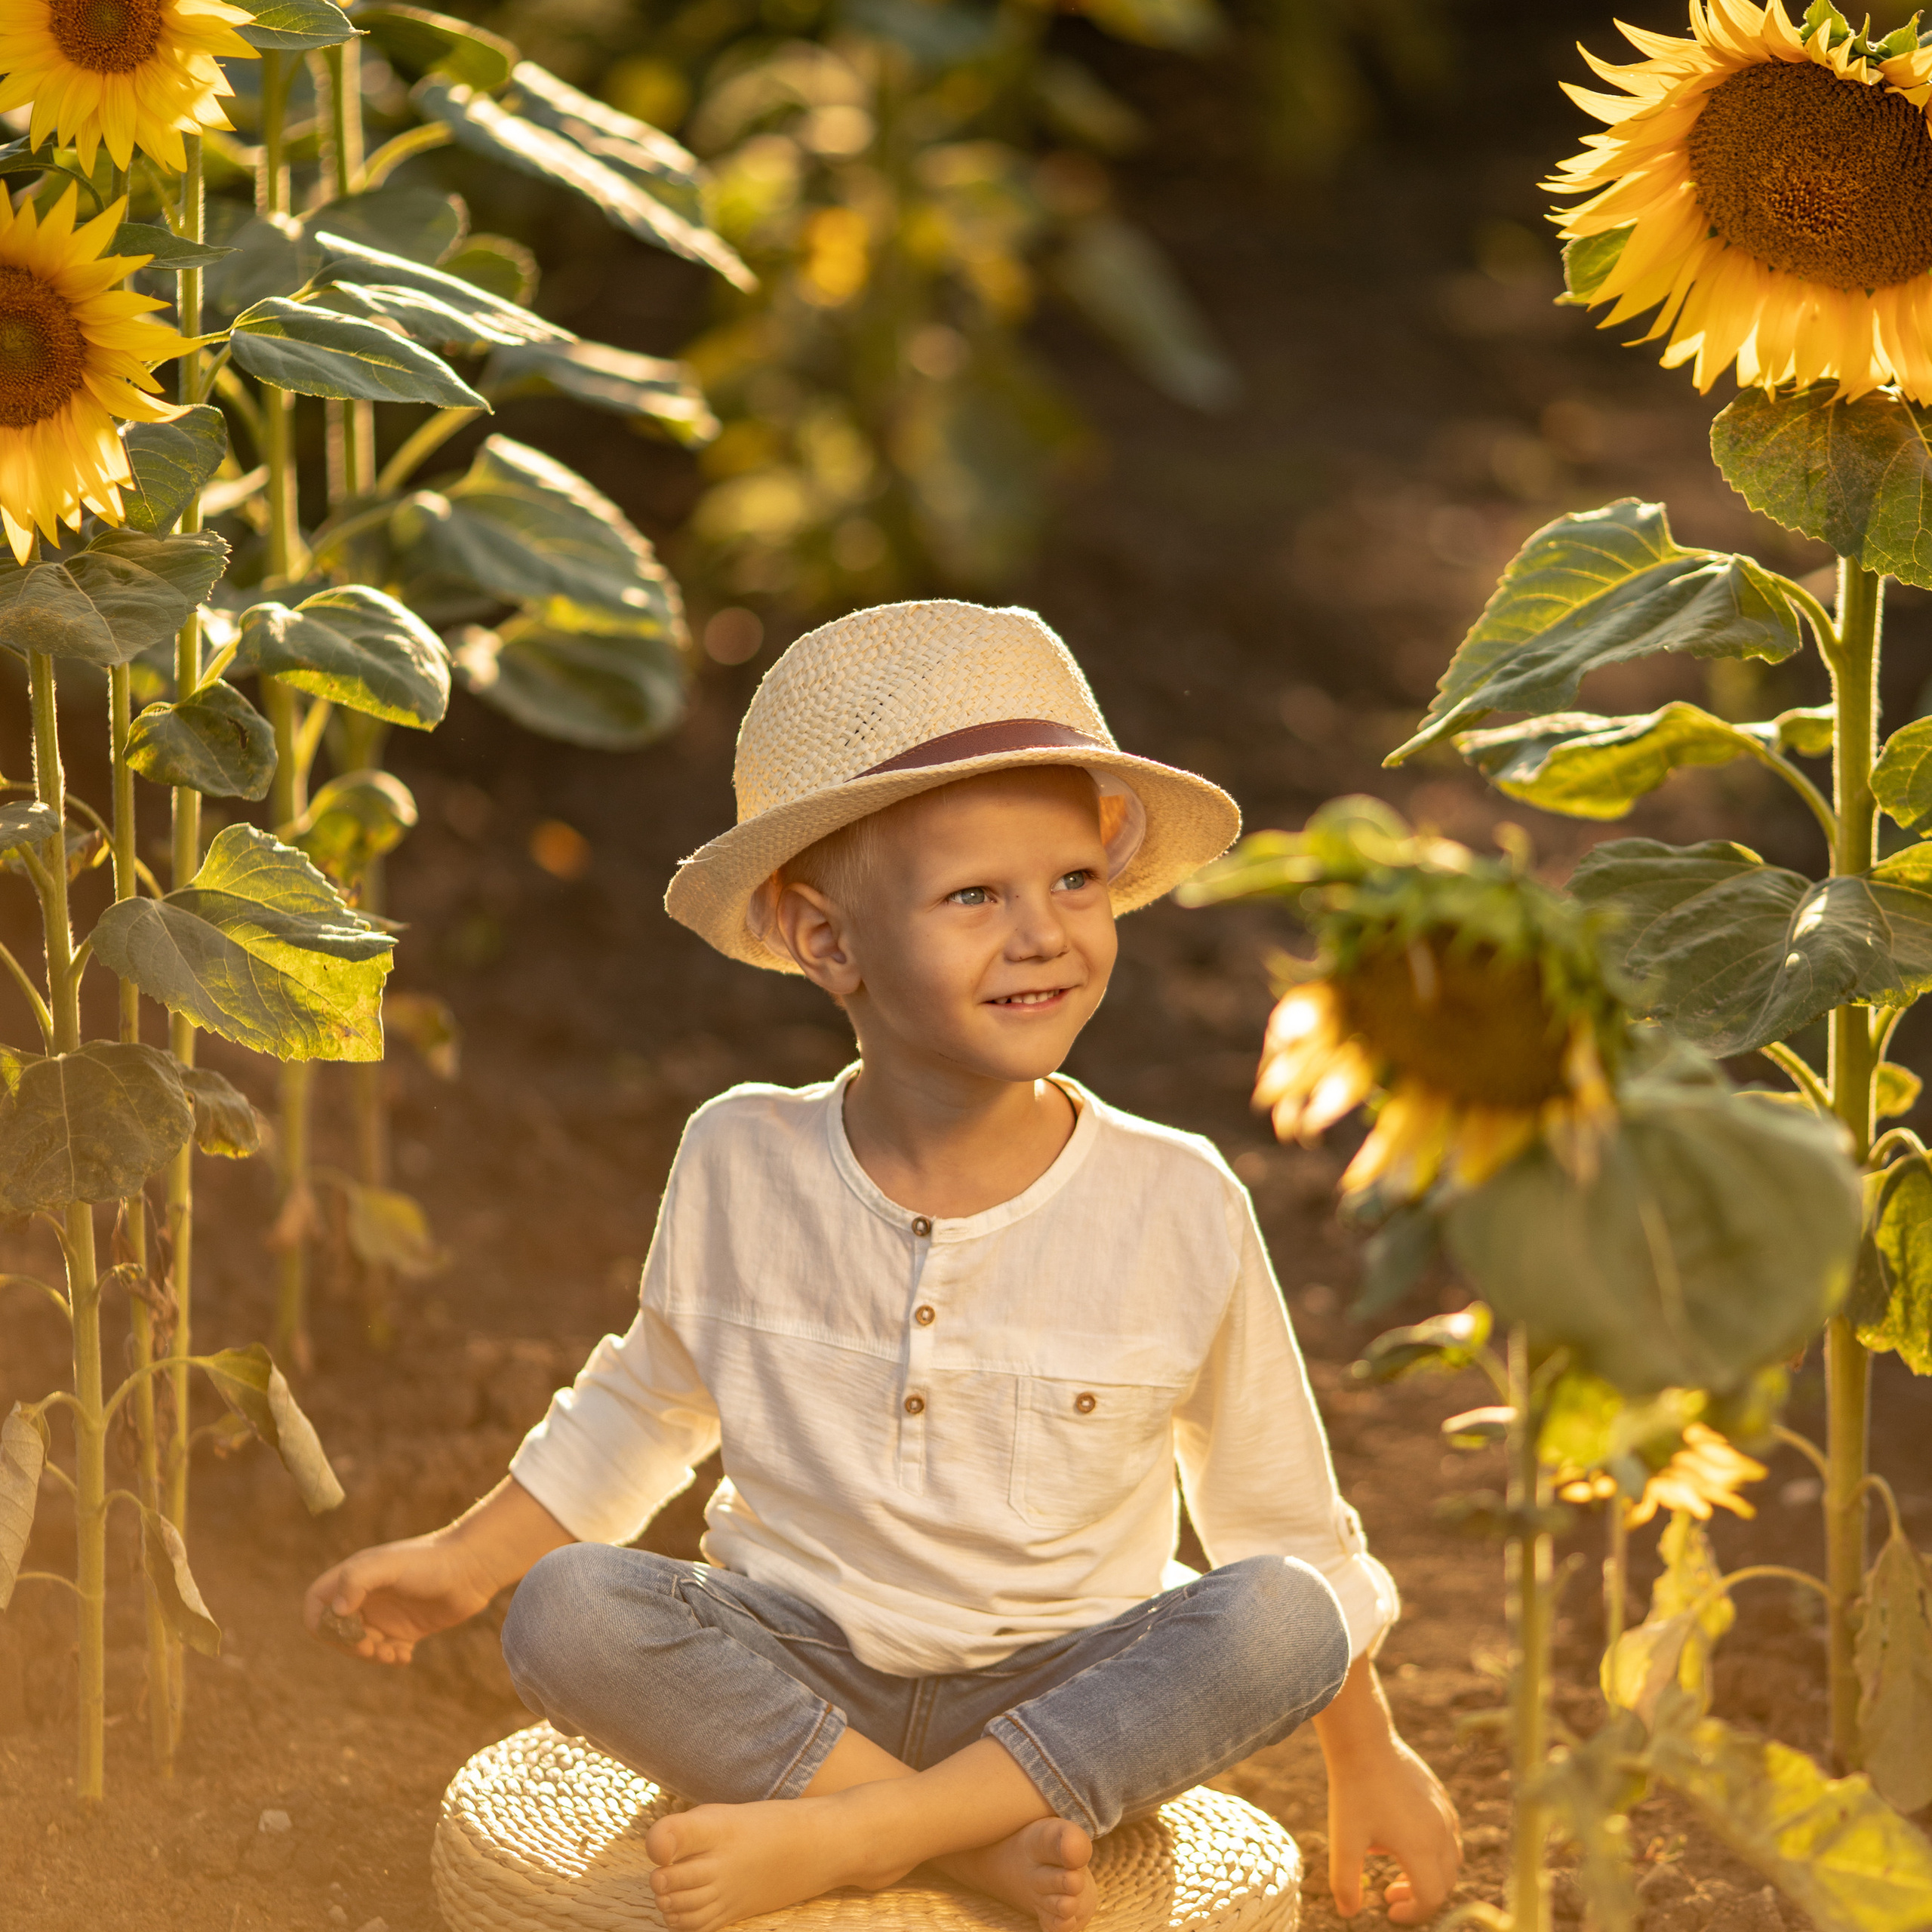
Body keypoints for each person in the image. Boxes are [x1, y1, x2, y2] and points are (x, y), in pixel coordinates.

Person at [304, 600, 1462, 1932]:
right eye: (975, 895)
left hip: (1060, 1693)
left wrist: (1367, 1760)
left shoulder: (1177, 1199)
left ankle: (877, 1829)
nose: (1043, 934)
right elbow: (648, 1400)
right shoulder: (741, 1159)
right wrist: (465, 1564)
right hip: (800, 1672)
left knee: (1286, 1620)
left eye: (1074, 882)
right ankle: (967, 1844)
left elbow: (1277, 1502)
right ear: (826, 941)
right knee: (567, 1612)